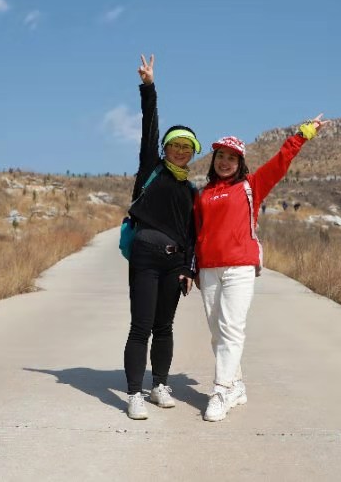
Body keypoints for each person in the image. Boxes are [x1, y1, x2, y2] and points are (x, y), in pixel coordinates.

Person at [194, 115, 329, 422]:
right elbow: (197, 233)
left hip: (239, 267)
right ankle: (236, 385)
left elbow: (281, 162)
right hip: (209, 269)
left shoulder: (250, 186)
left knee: (231, 328)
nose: (225, 162)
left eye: (232, 158)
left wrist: (303, 134)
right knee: (216, 333)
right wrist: (194, 269)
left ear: (240, 162)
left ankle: (220, 391)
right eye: (221, 156)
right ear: (214, 160)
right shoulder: (203, 194)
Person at [123, 54, 201, 420]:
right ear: (166, 148)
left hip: (174, 264)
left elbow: (192, 234)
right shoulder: (150, 169)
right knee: (141, 327)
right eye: (175, 145)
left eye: (187, 147)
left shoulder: (191, 191)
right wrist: (149, 87)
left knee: (164, 327)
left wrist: (188, 268)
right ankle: (133, 394)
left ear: (193, 153)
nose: (180, 151)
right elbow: (149, 127)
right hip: (145, 257)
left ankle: (159, 386)